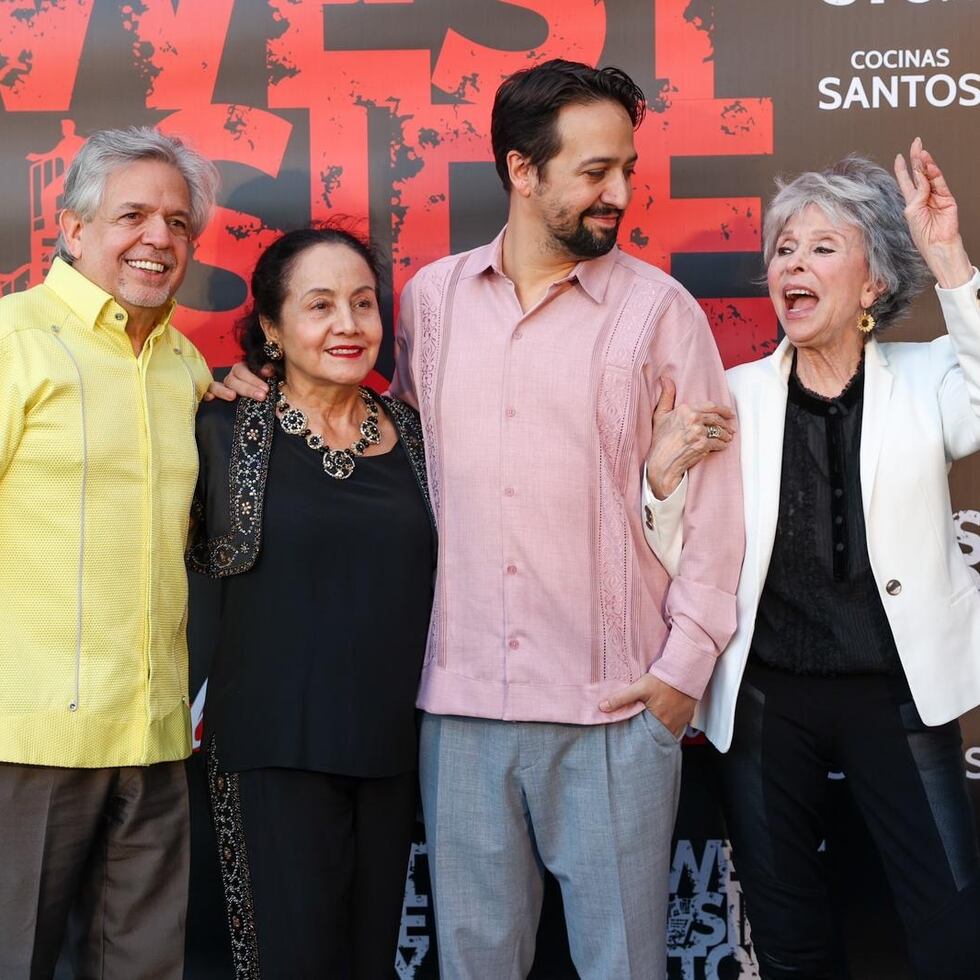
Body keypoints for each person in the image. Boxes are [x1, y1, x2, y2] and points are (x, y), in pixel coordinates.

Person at [218, 59, 744, 978]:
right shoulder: (431, 302)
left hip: (615, 710)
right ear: (521, 170)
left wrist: (679, 675)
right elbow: (385, 453)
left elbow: (716, 509)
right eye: (593, 171)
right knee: (472, 964)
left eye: (626, 167)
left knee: (626, 964)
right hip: (457, 717)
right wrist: (258, 396)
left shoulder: (662, 313)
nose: (619, 192)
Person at [636, 141, 980, 978]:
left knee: (950, 923)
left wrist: (948, 257)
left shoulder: (929, 377)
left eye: (823, 246)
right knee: (788, 936)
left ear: (871, 286)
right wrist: (661, 480)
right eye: (783, 248)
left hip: (897, 696)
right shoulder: (733, 393)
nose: (794, 261)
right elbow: (682, 552)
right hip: (765, 700)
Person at [0, 127, 217, 978]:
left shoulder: (185, 366)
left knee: (143, 967)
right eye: (133, 214)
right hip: (29, 738)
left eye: (177, 222)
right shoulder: (14, 339)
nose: (158, 238)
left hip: (155, 737)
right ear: (73, 227)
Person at [189, 226, 435, 977]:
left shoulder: (419, 436)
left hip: (390, 760)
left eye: (363, 304)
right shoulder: (222, 426)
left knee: (368, 963)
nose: (348, 325)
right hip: (269, 759)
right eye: (320, 305)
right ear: (272, 326)